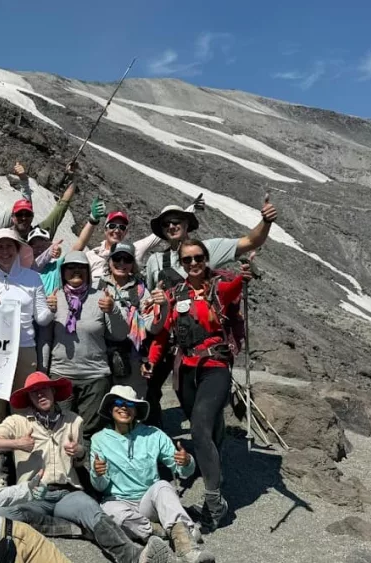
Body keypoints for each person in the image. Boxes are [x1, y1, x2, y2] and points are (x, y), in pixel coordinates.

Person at [0, 373, 175, 563]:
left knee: (92, 510)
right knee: (1, 517)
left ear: (53, 392)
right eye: (34, 392)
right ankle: (74, 528)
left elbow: (81, 462)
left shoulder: (74, 420)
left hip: (67, 493)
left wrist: (80, 451)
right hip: (33, 494)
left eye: (44, 389)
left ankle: (135, 556)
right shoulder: (17, 422)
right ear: (28, 397)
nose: (40, 394)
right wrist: (18, 444)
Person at [146, 239, 254, 532]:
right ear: (181, 264)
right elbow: (162, 334)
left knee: (199, 427)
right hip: (185, 371)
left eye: (198, 258)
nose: (193, 264)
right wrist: (152, 361)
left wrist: (243, 275)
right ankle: (215, 474)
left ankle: (214, 501)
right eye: (187, 260)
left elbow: (234, 289)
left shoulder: (220, 287)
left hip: (215, 367)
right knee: (208, 426)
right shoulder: (173, 294)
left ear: (206, 259)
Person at [141, 196, 276, 430]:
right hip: (167, 340)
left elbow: (250, 241)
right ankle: (159, 443)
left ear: (187, 224)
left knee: (204, 404)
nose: (172, 226)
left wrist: (266, 221)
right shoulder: (154, 261)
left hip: (204, 342)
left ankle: (210, 446)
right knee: (150, 390)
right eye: (166, 224)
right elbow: (150, 301)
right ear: (162, 230)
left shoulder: (209, 248)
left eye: (177, 221)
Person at [0, 228, 54, 487]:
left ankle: (24, 472)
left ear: (18, 250)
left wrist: (51, 308)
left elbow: (41, 318)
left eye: (9, 247)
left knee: (23, 411)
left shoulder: (32, 278)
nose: (4, 252)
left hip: (24, 349)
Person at [90, 386, 213, 563]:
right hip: (119, 502)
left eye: (130, 404)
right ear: (110, 408)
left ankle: (187, 549)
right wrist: (99, 474)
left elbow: (184, 472)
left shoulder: (154, 434)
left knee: (163, 486)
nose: (124, 407)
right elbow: (99, 486)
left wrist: (186, 462)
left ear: (136, 410)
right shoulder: (99, 440)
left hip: (150, 502)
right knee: (108, 512)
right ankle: (160, 531)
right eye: (118, 402)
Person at [43, 250, 129, 440]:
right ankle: (66, 470)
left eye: (81, 268)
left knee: (90, 432)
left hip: (95, 376)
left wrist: (113, 309)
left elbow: (120, 334)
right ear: (63, 272)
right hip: (61, 376)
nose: (76, 271)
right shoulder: (54, 298)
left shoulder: (101, 297)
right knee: (61, 431)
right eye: (70, 267)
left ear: (88, 272)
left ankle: (89, 469)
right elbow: (45, 339)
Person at [100, 243, 169, 399]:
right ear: (109, 261)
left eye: (127, 259)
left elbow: (153, 327)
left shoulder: (140, 291)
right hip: (100, 358)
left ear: (133, 264)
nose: (122, 263)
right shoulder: (97, 285)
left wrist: (163, 306)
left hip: (131, 357)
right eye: (117, 258)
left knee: (131, 403)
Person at [84, 195, 204, 280]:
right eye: (112, 225)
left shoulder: (134, 249)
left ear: (126, 232)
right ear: (105, 229)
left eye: (122, 227)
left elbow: (160, 233)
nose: (117, 230)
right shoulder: (92, 255)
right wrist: (92, 220)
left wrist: (190, 210)